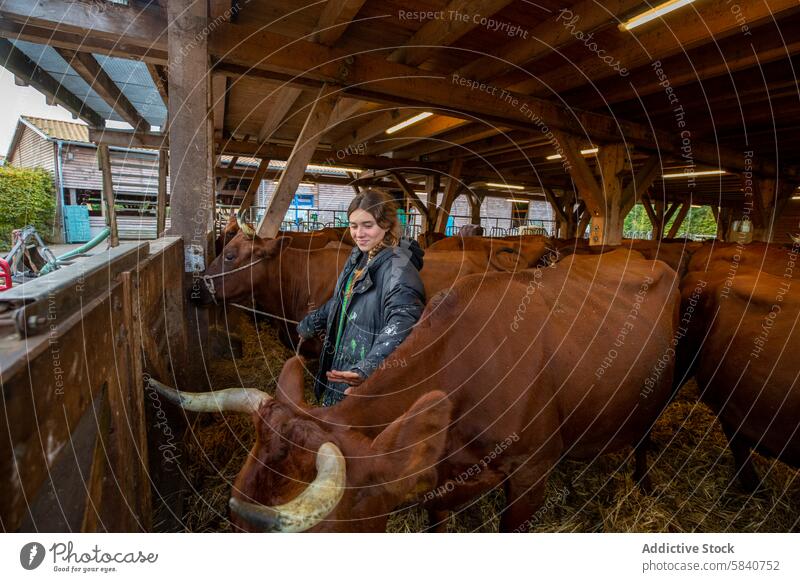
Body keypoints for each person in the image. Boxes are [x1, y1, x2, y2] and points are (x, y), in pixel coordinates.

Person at [297, 190, 426, 406]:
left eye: (368, 225)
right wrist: (312, 322)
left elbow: (403, 321)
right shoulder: (360, 257)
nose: (359, 233)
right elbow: (343, 300)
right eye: (353, 225)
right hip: (342, 368)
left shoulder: (398, 267)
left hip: (365, 386)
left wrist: (367, 368)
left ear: (385, 225)